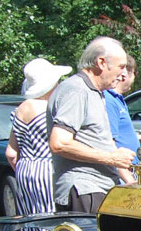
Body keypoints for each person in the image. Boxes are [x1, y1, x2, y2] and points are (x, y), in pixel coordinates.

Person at [6, 57, 71, 231]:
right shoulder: (48, 110)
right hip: (48, 169)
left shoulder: (20, 109)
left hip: (25, 169)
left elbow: (11, 152)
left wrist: (25, 170)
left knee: (33, 229)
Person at [48, 36, 136, 213]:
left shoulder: (95, 92)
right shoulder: (77, 89)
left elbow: (101, 139)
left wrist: (130, 180)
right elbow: (59, 143)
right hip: (84, 189)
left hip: (97, 189)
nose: (123, 74)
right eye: (121, 66)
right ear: (101, 62)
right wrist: (110, 158)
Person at [104, 54, 141, 184]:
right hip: (122, 174)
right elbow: (110, 143)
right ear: (125, 75)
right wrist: (129, 180)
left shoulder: (117, 99)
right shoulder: (109, 100)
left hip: (131, 169)